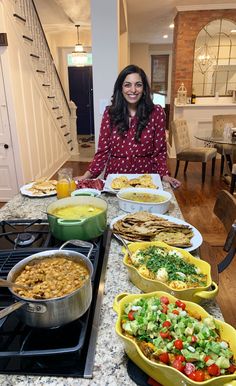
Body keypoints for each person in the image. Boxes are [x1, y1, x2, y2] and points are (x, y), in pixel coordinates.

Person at [77, 64, 181, 189]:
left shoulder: (156, 112)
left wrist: (164, 175)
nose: (133, 90)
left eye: (138, 84)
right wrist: (86, 176)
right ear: (120, 88)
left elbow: (159, 152)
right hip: (116, 177)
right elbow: (103, 152)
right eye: (127, 85)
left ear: (144, 89)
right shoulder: (110, 113)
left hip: (146, 177)